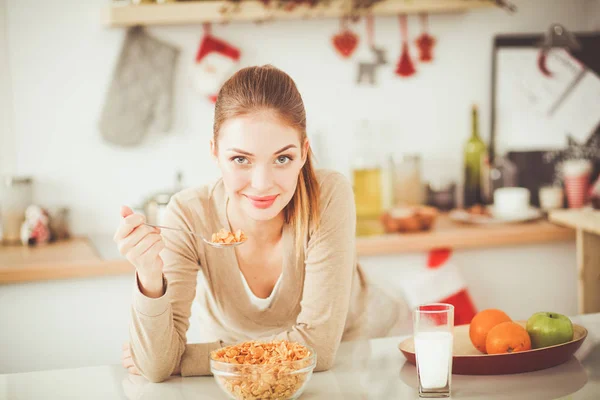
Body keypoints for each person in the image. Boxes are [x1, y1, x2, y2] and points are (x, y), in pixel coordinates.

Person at [114, 65, 401, 383]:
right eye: (240, 159)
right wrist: (149, 275)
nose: (262, 184)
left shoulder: (329, 194)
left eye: (282, 159)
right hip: (234, 381)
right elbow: (156, 367)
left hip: (351, 360)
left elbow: (319, 348)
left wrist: (189, 358)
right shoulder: (188, 214)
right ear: (215, 152)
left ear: (304, 153)